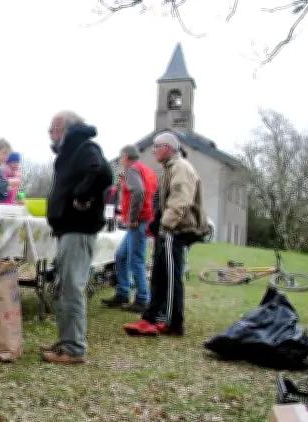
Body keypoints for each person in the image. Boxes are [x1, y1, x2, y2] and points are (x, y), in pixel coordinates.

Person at [41, 111, 113, 364]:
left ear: (62, 127)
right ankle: (67, 342)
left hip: (78, 228)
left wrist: (82, 197)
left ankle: (74, 348)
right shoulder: (74, 149)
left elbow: (103, 173)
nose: (49, 134)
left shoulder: (84, 147)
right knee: (64, 286)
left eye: (52, 129)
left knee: (72, 287)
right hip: (69, 228)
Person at [123, 132, 207, 337]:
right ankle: (151, 318)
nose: (153, 151)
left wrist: (165, 226)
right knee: (160, 275)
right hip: (170, 230)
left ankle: (172, 322)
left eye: (156, 147)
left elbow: (180, 201)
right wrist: (156, 224)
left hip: (176, 230)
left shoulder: (180, 168)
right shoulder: (170, 168)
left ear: (167, 148)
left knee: (169, 276)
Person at [102, 145, 158, 312]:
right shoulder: (146, 170)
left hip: (139, 221)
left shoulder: (132, 170)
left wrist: (132, 217)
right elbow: (149, 191)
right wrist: (123, 185)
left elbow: (139, 192)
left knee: (136, 260)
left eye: (121, 158)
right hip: (143, 218)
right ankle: (123, 293)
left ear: (125, 157)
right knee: (121, 255)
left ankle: (142, 299)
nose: (121, 161)